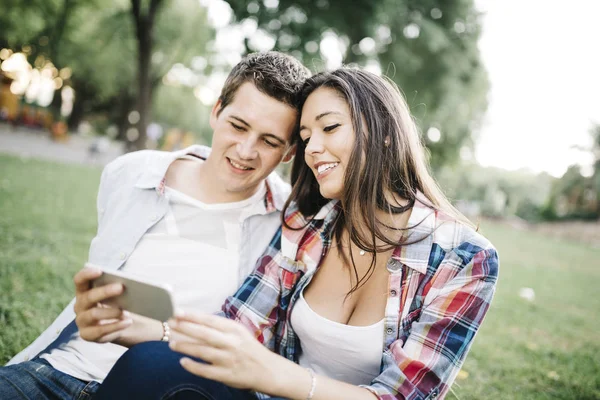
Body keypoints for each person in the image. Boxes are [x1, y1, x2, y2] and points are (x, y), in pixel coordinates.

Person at [94, 67, 500, 400]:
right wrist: (154, 330)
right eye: (305, 137)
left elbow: (403, 396)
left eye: (329, 128)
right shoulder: (307, 226)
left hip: (281, 386)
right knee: (150, 362)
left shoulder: (464, 258)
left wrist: (278, 377)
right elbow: (242, 323)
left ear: (385, 131)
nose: (311, 148)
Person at [0, 51, 310, 399]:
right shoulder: (132, 173)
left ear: (289, 152)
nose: (246, 150)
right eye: (238, 126)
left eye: (269, 141)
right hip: (61, 368)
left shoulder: (290, 223)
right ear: (216, 111)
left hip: (163, 389)